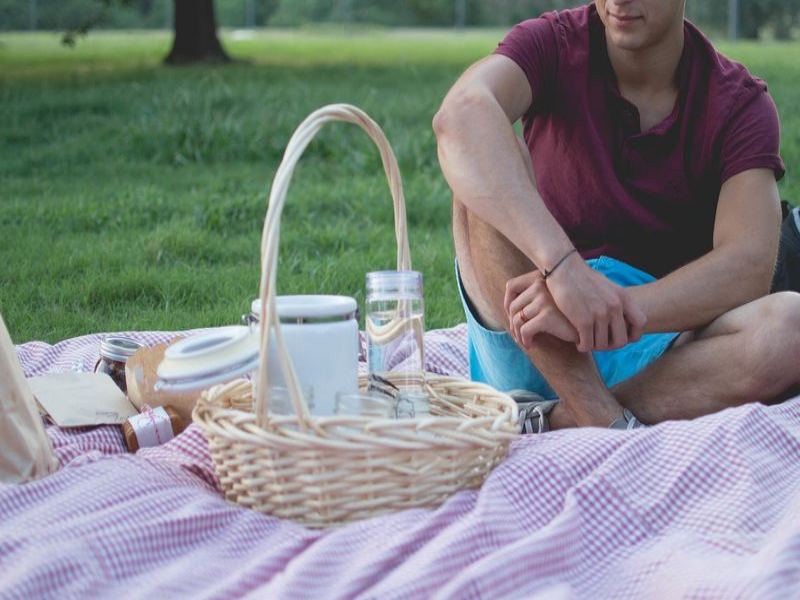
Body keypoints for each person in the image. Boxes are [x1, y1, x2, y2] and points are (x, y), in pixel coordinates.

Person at [433, 0, 800, 432]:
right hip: (531, 337)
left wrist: (604, 311)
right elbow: (460, 116)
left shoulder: (739, 103)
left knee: (791, 328)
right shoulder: (553, 43)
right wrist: (564, 272)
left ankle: (553, 421)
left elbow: (748, 267)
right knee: (484, 165)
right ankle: (605, 421)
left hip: (656, 355)